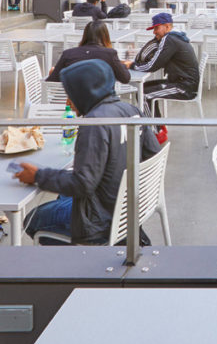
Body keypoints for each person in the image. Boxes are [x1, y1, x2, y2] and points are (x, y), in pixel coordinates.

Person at [19, 60, 158, 245]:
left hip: (98, 220)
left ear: (85, 93)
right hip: (128, 209)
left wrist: (38, 176)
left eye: (71, 95)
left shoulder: (94, 123)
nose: (68, 101)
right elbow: (153, 154)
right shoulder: (132, 111)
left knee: (32, 219)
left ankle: (85, 259)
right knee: (63, 196)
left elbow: (82, 184)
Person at [130, 12, 201, 109]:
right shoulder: (176, 36)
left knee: (144, 95)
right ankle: (158, 124)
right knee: (142, 88)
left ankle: (152, 124)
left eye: (156, 28)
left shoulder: (169, 39)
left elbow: (152, 66)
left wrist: (131, 65)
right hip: (183, 83)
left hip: (184, 88)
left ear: (167, 27)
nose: (154, 32)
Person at [48, 19, 132, 83]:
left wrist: (57, 72)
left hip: (74, 103)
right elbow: (125, 78)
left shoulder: (68, 54)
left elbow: (52, 80)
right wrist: (123, 66)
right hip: (101, 102)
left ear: (85, 35)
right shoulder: (109, 54)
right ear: (105, 36)